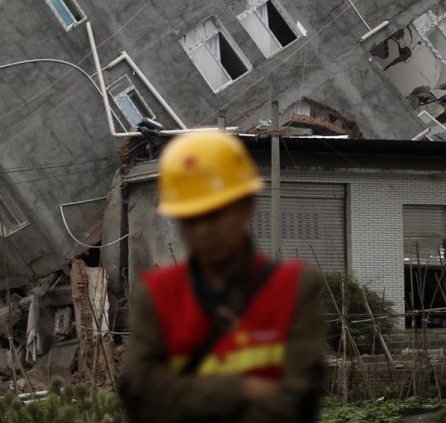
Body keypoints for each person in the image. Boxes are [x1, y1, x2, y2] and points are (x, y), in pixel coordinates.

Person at [119, 131, 325, 423]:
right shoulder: (156, 295)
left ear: (247, 207)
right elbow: (141, 394)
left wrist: (182, 393)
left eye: (215, 213)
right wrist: (241, 387)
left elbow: (297, 399)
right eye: (191, 218)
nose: (203, 230)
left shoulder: (292, 288)